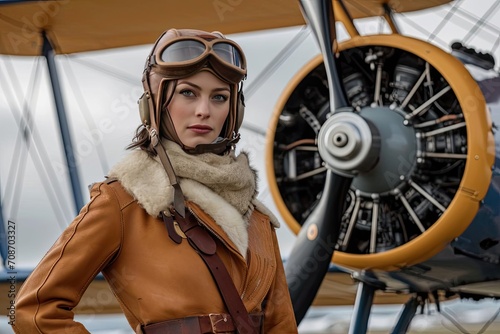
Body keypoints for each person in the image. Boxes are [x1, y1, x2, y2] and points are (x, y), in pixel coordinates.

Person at [12, 28, 297, 333]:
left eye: (219, 97)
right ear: (156, 102)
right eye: (188, 93)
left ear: (234, 111)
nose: (204, 111)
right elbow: (34, 310)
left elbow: (282, 325)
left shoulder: (258, 221)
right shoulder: (122, 202)